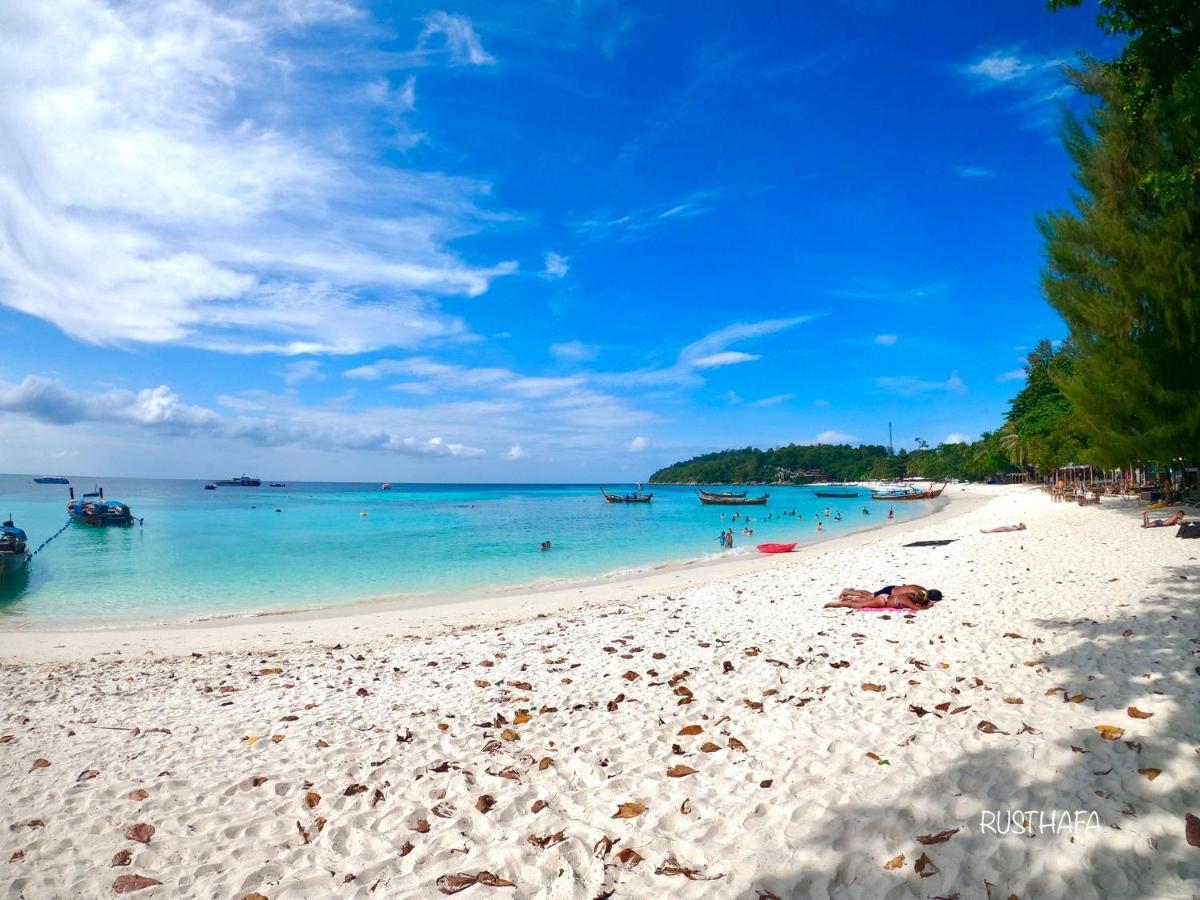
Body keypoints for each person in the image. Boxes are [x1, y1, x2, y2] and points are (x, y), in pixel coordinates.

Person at [825, 584, 942, 610]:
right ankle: (848, 592)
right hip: (888, 594)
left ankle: (848, 597)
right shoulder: (908, 598)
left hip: (891, 590)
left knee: (867, 597)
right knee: (866, 598)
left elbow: (905, 587)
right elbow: (915, 607)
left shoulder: (918, 589)